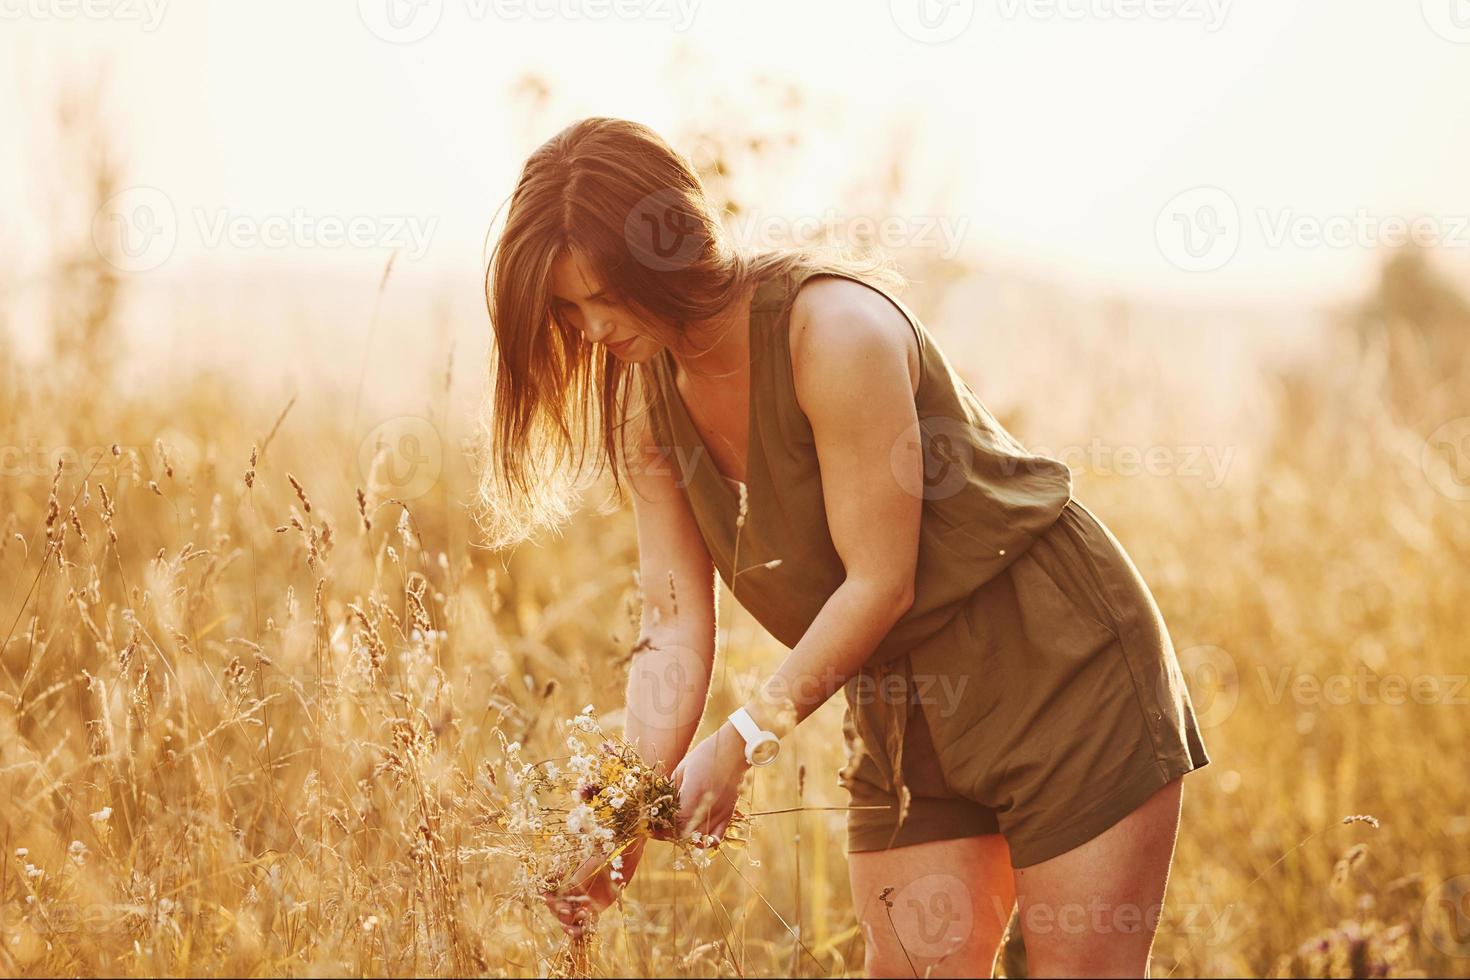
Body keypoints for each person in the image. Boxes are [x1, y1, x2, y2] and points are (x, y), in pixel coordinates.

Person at [477, 116, 1210, 977]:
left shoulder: (834, 334)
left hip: (1061, 670)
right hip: (905, 710)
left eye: (608, 294)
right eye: (569, 308)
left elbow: (879, 584)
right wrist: (623, 811)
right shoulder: (643, 396)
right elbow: (671, 624)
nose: (593, 329)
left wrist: (744, 737)